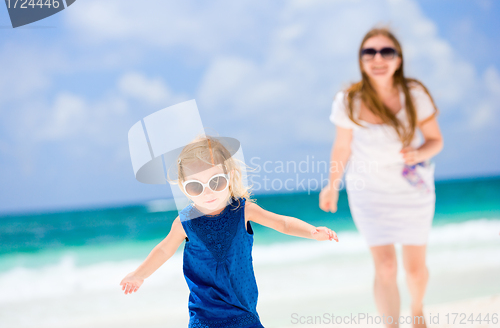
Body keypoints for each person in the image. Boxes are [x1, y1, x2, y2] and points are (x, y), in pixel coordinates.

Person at [121, 135, 338, 328]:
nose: (208, 192)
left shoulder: (243, 211)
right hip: (203, 316)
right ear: (183, 186)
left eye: (216, 182)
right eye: (195, 186)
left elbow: (282, 224)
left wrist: (311, 231)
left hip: (243, 312)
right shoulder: (185, 222)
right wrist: (139, 275)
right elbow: (163, 250)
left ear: (230, 176)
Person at [319, 27, 443, 328]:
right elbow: (342, 146)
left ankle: (417, 310)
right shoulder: (347, 100)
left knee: (414, 272)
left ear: (398, 59)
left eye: (387, 52)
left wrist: (421, 153)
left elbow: (435, 140)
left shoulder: (414, 95)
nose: (378, 58)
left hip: (412, 191)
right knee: (386, 267)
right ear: (361, 60)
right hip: (368, 193)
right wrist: (332, 185)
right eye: (369, 52)